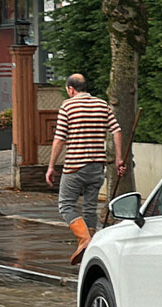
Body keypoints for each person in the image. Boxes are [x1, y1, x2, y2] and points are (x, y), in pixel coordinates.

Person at [46, 73, 125, 266]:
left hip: (74, 166)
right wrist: (119, 158)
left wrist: (51, 166)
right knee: (90, 208)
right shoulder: (102, 105)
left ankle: (84, 240)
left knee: (65, 205)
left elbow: (59, 139)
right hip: (97, 166)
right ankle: (90, 250)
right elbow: (116, 131)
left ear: (70, 89)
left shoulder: (67, 106)